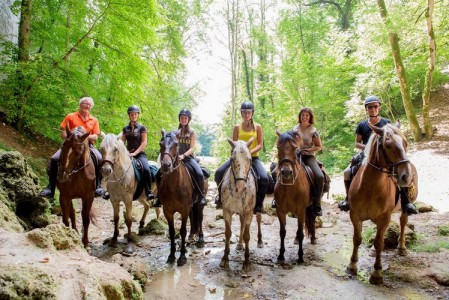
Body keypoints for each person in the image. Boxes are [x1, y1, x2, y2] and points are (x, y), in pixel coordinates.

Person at [338, 95, 418, 215]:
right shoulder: (362, 125)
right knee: (347, 172)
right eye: (370, 107)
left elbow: (394, 140)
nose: (373, 109)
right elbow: (357, 143)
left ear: (379, 107)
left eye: (375, 106)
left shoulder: (386, 123)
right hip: (366, 154)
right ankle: (347, 199)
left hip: (385, 155)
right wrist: (369, 148)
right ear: (367, 109)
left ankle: (406, 202)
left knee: (399, 172)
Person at [39, 96, 104, 198]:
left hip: (88, 147)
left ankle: (98, 186)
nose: (87, 106)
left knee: (100, 158)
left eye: (89, 104)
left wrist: (83, 138)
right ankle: (50, 188)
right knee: (54, 159)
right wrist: (74, 135)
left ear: (91, 107)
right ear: (80, 104)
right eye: (85, 103)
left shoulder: (94, 120)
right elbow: (63, 134)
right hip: (70, 146)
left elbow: (95, 136)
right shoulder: (70, 116)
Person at [214, 101, 269, 214]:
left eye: (248, 112)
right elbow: (233, 145)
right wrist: (238, 155)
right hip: (238, 159)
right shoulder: (237, 127)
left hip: (253, 158)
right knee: (219, 173)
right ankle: (220, 199)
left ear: (252, 113)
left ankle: (258, 205)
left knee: (264, 178)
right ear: (241, 114)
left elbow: (260, 145)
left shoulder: (258, 127)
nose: (246, 115)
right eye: (244, 112)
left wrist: (248, 153)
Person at [271, 108, 324, 217]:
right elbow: (289, 142)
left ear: (310, 117)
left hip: (308, 157)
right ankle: (276, 199)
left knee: (319, 176)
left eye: (307, 115)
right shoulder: (294, 129)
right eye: (303, 115)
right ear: (300, 117)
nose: (304, 117)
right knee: (274, 172)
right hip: (295, 156)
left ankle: (317, 203)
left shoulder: (313, 131)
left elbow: (319, 146)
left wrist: (308, 150)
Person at [153, 109, 206, 207]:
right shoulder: (175, 133)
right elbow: (170, 145)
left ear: (188, 119)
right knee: (157, 175)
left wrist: (184, 155)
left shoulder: (192, 132)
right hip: (175, 159)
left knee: (199, 173)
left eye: (185, 118)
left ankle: (201, 196)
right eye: (182, 118)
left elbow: (192, 148)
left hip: (188, 158)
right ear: (179, 119)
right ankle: (159, 196)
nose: (184, 119)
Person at [120, 105, 155, 200]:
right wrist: (124, 152)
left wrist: (135, 153)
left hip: (139, 154)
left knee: (146, 169)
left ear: (138, 115)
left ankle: (148, 191)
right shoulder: (125, 129)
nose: (133, 116)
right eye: (131, 114)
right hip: (127, 154)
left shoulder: (142, 128)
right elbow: (122, 142)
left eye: (135, 114)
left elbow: (144, 143)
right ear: (129, 115)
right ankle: (110, 189)